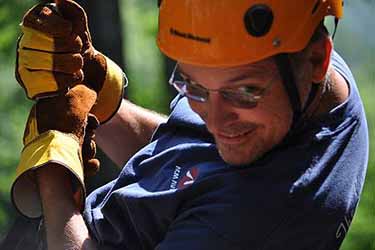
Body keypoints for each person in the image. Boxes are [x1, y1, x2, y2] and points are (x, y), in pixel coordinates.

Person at [10, 0, 369, 249]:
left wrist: (54, 164)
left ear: (316, 59)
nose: (213, 119)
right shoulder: (303, 72)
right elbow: (190, 160)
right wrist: (99, 99)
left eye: (245, 92)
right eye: (194, 86)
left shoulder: (254, 225)